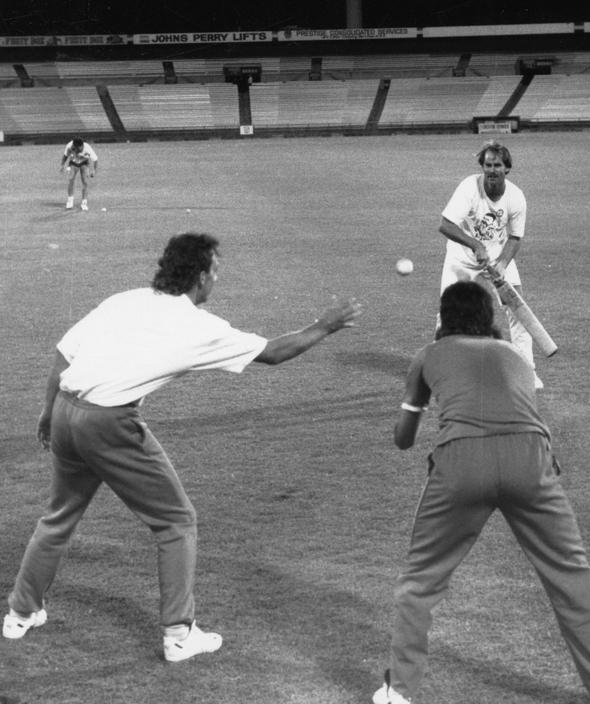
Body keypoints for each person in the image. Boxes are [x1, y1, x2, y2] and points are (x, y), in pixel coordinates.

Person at [3, 233, 362, 662]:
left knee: (59, 515)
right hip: (109, 423)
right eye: (215, 271)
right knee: (176, 521)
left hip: (65, 410)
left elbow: (64, 356)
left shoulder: (125, 299)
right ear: (201, 277)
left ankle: (20, 614)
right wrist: (326, 325)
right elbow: (274, 352)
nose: (216, 279)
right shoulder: (197, 325)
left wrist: (48, 414)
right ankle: (179, 635)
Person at [373, 281, 590, 704]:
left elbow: (403, 440)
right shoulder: (515, 355)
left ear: (443, 319)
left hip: (461, 462)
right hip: (531, 459)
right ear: (490, 319)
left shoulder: (429, 354)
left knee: (420, 581)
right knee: (572, 576)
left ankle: (399, 694)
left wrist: (414, 405)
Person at [438, 139, 543, 389]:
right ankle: (440, 368)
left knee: (518, 310)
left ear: (507, 168)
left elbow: (516, 237)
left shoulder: (516, 197)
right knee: (448, 311)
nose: (492, 170)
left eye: (497, 165)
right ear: (482, 166)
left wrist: (503, 263)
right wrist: (476, 245)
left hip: (497, 254)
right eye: (487, 165)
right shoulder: (469, 187)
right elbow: (446, 224)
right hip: (461, 256)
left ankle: (526, 371)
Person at [60, 136, 98, 211]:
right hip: (73, 163)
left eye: (78, 148)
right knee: (71, 179)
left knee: (85, 182)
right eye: (75, 148)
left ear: (82, 146)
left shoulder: (87, 148)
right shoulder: (69, 146)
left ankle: (84, 203)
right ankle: (70, 201)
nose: (76, 149)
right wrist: (62, 165)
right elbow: (65, 156)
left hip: (84, 163)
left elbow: (96, 160)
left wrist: (94, 170)